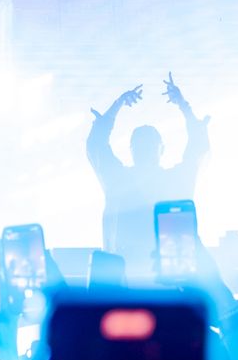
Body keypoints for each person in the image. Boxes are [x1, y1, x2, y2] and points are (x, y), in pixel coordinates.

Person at [86, 74, 209, 264]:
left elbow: (197, 149)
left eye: (149, 144)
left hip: (165, 275)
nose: (144, 149)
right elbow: (96, 147)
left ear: (162, 148)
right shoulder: (120, 180)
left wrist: (185, 107)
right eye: (140, 144)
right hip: (128, 275)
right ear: (131, 149)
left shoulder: (121, 180)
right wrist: (184, 108)